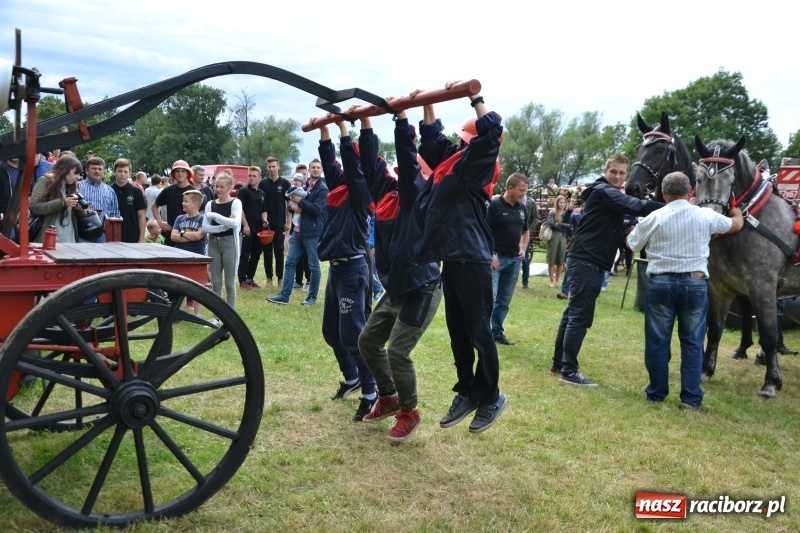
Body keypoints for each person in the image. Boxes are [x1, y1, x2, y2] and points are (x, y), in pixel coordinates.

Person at [411, 88, 506, 434]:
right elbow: (431, 137)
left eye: (464, 139)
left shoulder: (477, 167)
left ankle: (491, 396)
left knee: (480, 332)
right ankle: (467, 390)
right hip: (452, 260)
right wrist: (426, 101)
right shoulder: (452, 160)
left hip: (474, 261)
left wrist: (475, 99)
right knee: (458, 332)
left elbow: (492, 135)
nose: (459, 143)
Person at [358, 107, 443, 441]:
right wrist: (361, 124)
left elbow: (408, 160)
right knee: (368, 342)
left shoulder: (417, 195)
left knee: (397, 352)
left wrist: (402, 121)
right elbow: (369, 162)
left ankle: (410, 410)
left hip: (422, 287)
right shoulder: (385, 192)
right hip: (395, 287)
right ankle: (388, 396)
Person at [626, 171, 743, 408]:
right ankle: (691, 398)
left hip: (660, 283)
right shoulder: (704, 215)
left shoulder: (655, 216)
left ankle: (656, 392)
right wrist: (737, 210)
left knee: (657, 341)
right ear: (690, 191)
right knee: (692, 343)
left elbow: (632, 243)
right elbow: (734, 225)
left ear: (663, 192)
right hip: (695, 283)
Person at [551, 153, 664, 386]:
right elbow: (638, 205)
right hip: (587, 261)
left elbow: (631, 209)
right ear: (606, 170)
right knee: (579, 316)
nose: (618, 176)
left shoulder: (608, 193)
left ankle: (559, 363)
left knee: (572, 313)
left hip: (589, 260)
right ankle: (568, 371)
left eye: (622, 173)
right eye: (614, 171)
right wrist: (674, 205)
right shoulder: (604, 191)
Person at [314, 117, 376, 421]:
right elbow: (330, 161)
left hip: (353, 269)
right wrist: (324, 129)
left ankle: (371, 391)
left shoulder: (359, 193)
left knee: (353, 334)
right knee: (331, 331)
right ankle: (351, 377)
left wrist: (343, 129)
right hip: (336, 270)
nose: (341, 170)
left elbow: (351, 163)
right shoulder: (337, 187)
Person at [267, 159, 327, 304]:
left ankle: (312, 297)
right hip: (297, 230)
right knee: (290, 262)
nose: (315, 170)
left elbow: (317, 210)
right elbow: (290, 204)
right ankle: (285, 295)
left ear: (322, 170)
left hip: (312, 232)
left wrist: (300, 202)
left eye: (318, 167)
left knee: (313, 265)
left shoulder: (323, 189)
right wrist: (293, 207)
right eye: (313, 167)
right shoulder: (303, 185)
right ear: (309, 169)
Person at [487, 172, 530, 345]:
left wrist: (523, 248)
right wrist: (490, 253)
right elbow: (483, 230)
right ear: (510, 187)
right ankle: (484, 333)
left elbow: (525, 231)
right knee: (490, 297)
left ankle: (497, 332)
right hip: (496, 259)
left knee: (504, 299)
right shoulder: (494, 205)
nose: (523, 194)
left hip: (513, 260)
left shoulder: (522, 208)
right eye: (521, 190)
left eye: (525, 191)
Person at [202, 172, 242, 308]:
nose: (218, 190)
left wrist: (215, 216)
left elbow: (236, 224)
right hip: (213, 243)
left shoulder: (236, 202)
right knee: (216, 282)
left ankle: (230, 316)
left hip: (230, 243)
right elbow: (205, 227)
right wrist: (224, 226)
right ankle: (216, 315)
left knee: (230, 282)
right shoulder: (210, 204)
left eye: (222, 187)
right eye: (216, 186)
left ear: (230, 187)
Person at [29, 156, 86, 243]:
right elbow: (35, 207)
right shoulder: (45, 181)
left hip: (71, 241)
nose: (78, 177)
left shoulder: (73, 186)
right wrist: (62, 203)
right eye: (75, 173)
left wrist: (79, 210)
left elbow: (82, 216)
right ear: (65, 170)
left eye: (79, 174)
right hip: (49, 241)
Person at [171, 189, 207, 318]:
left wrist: (181, 234)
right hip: (180, 257)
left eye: (186, 201)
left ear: (195, 204)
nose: (183, 203)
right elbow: (173, 237)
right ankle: (179, 313)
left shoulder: (202, 219)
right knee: (179, 285)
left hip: (197, 257)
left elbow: (198, 235)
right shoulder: (179, 218)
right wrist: (187, 235)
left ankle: (198, 314)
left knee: (197, 285)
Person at [259, 156, 291, 286]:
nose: (272, 169)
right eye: (269, 167)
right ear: (267, 168)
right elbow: (261, 204)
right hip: (266, 223)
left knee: (279, 251)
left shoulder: (285, 183)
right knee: (267, 252)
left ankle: (280, 278)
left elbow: (289, 203)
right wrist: (263, 219)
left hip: (280, 223)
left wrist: (288, 221)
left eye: (274, 166)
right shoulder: (262, 183)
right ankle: (269, 279)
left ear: (278, 166)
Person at [237, 166, 267, 289]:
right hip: (247, 228)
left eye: (254, 176)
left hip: (259, 229)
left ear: (259, 177)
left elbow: (264, 210)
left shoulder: (262, 193)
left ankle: (250, 279)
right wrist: (245, 225)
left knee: (256, 254)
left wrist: (265, 219)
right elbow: (240, 209)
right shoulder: (244, 191)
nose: (251, 178)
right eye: (250, 175)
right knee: (245, 254)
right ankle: (242, 280)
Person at [153, 160, 196, 247]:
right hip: (171, 234)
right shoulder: (168, 190)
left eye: (183, 171)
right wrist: (160, 222)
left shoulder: (194, 191)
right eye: (177, 171)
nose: (180, 173)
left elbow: (201, 212)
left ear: (187, 173)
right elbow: (154, 206)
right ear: (173, 174)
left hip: (189, 235)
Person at [79, 156, 120, 242]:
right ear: (86, 170)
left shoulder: (110, 190)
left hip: (102, 235)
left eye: (100, 169)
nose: (97, 171)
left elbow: (115, 214)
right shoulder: (77, 187)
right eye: (94, 168)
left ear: (104, 171)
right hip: (81, 234)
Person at [110, 158, 146, 243]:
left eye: (125, 171)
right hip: (111, 235)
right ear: (114, 172)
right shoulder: (108, 190)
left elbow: (141, 216)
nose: (122, 174)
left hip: (132, 237)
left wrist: (141, 239)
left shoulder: (136, 191)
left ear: (130, 173)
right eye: (119, 171)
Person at [546, 195, 569, 288]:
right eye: (560, 202)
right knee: (551, 259)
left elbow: (570, 225)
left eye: (564, 202)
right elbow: (551, 224)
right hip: (553, 236)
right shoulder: (552, 212)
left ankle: (557, 280)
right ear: (557, 203)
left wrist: (559, 224)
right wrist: (562, 225)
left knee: (560, 260)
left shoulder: (566, 213)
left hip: (563, 237)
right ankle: (551, 281)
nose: (562, 204)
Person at [520, 195, 539, 289]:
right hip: (511, 233)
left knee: (525, 259)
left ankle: (525, 282)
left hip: (524, 234)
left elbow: (535, 218)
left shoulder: (531, 202)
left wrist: (528, 231)